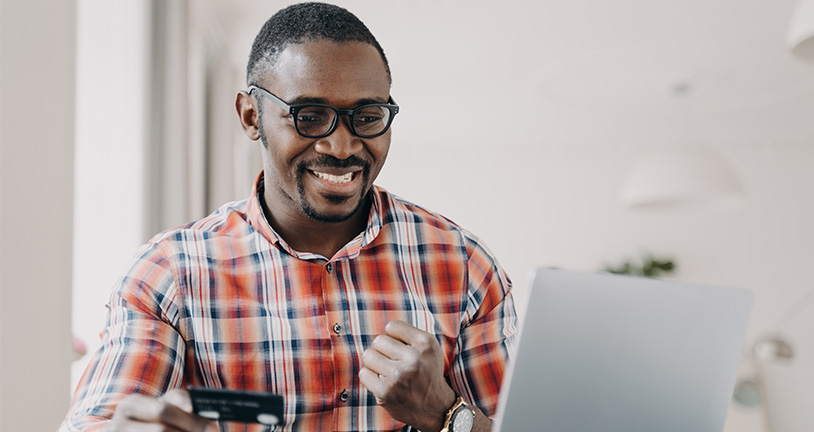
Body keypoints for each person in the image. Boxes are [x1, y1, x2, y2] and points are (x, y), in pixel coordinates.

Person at [60, 3, 516, 431]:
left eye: (367, 117)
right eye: (310, 116)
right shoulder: (169, 274)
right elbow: (100, 420)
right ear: (250, 116)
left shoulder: (463, 266)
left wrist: (445, 413)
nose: (342, 147)